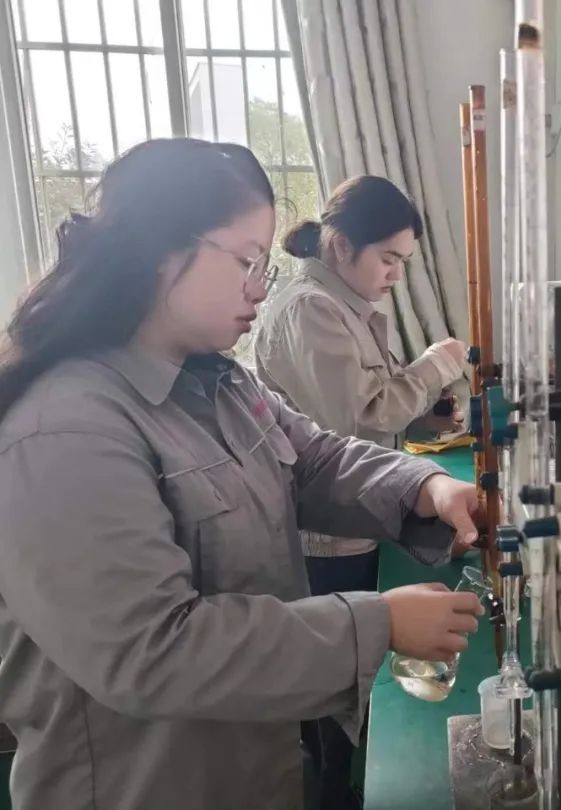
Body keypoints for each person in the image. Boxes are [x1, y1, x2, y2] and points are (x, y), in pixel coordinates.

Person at [0, 139, 483, 810]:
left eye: (265, 266)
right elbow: (151, 651)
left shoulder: (216, 379)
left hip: (250, 760)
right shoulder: (65, 431)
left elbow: (312, 459)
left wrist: (425, 486)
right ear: (160, 249)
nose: (259, 287)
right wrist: (376, 625)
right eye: (246, 261)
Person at [254, 176, 468, 808]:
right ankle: (333, 791)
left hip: (354, 515)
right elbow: (352, 423)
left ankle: (339, 777)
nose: (397, 274)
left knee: (351, 673)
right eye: (388, 258)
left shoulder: (344, 305)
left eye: (404, 261)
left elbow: (375, 405)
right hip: (325, 533)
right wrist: (436, 364)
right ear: (341, 245)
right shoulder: (309, 309)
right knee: (334, 682)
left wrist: (426, 419)